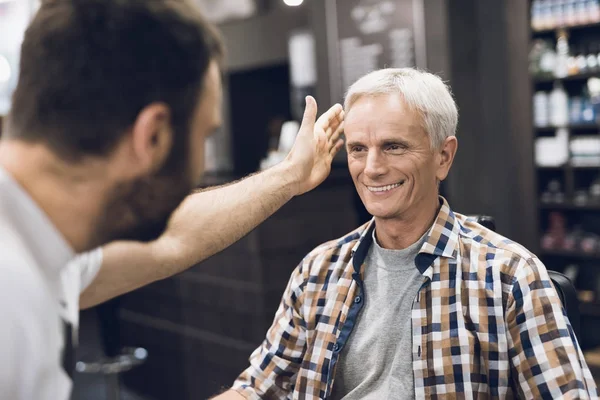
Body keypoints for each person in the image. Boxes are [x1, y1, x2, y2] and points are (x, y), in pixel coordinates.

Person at [0, 1, 344, 399]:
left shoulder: (44, 239)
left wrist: (289, 176)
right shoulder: (11, 288)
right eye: (204, 135)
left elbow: (173, 238)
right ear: (154, 137)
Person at [214, 68, 599, 399]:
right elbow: (255, 389)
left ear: (443, 156)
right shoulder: (317, 273)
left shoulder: (509, 276)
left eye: (393, 147)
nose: (372, 168)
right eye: (358, 149)